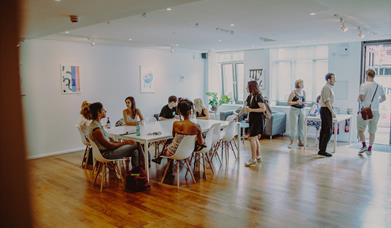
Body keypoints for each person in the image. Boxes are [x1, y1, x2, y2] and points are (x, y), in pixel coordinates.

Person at [89, 102, 144, 169]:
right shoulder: (96, 129)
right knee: (136, 144)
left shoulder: (96, 124)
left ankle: (135, 174)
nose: (105, 111)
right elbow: (110, 146)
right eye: (103, 109)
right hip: (106, 154)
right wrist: (125, 142)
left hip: (107, 151)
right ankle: (143, 167)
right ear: (98, 112)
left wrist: (123, 143)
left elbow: (109, 143)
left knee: (135, 151)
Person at [152, 99, 204, 164]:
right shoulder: (196, 126)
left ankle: (169, 170)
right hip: (188, 151)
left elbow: (174, 137)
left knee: (168, 146)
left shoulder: (175, 124)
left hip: (173, 152)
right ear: (191, 111)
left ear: (180, 112)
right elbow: (201, 143)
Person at [357, 69, 386, 155]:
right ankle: (369, 148)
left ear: (367, 75)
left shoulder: (364, 85)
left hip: (366, 110)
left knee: (360, 130)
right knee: (372, 131)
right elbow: (384, 98)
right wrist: (376, 103)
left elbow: (361, 98)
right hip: (376, 111)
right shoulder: (379, 86)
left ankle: (364, 145)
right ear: (373, 76)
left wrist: (360, 98)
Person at [242, 81, 266, 167]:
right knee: (255, 139)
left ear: (251, 87)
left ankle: (253, 159)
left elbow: (263, 109)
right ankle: (258, 156)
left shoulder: (258, 96)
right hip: (252, 120)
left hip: (258, 121)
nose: (246, 88)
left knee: (252, 138)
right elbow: (247, 107)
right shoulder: (250, 96)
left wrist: (251, 110)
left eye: (247, 86)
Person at [318, 73, 336, 157]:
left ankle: (321, 149)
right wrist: (332, 112)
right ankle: (322, 150)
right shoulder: (326, 87)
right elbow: (327, 101)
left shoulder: (329, 88)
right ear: (329, 80)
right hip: (325, 110)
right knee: (328, 131)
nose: (335, 80)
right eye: (333, 79)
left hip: (326, 109)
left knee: (325, 130)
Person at [287, 79, 306, 148]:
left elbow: (304, 101)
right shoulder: (293, 92)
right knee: (293, 127)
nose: (303, 84)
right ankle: (291, 142)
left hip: (302, 110)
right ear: (298, 84)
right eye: (302, 83)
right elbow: (289, 102)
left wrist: (304, 103)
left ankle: (300, 141)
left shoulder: (304, 92)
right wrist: (296, 102)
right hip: (294, 110)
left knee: (301, 127)